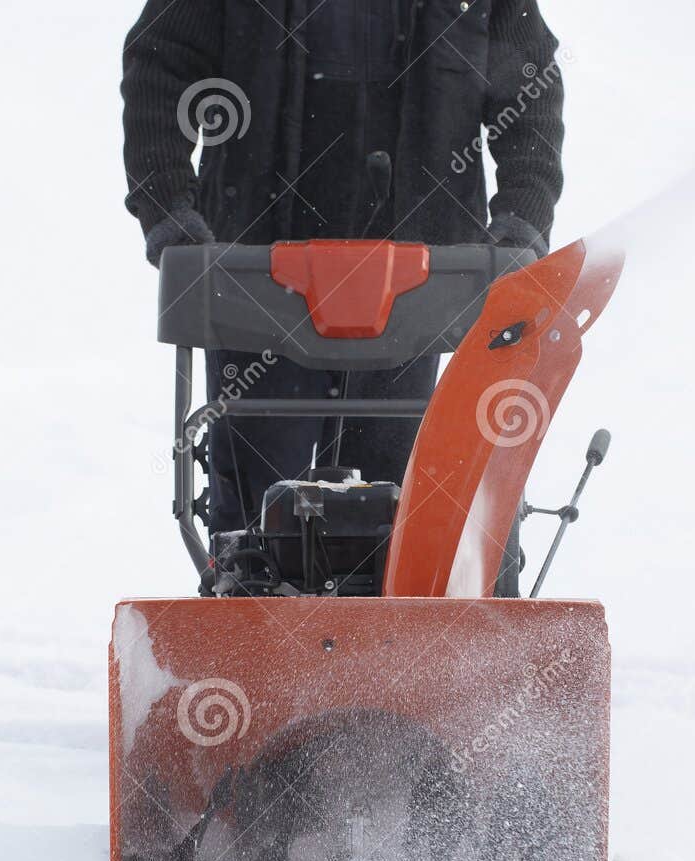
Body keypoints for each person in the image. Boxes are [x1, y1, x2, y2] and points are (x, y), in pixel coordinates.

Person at [121, 0, 565, 537]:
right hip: (255, 285)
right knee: (259, 523)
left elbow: (528, 81)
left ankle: (413, 616)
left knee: (413, 515)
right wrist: (168, 208)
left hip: (426, 291)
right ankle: (250, 606)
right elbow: (160, 63)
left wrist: (524, 217)